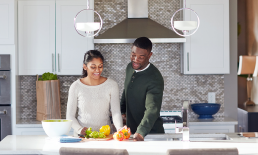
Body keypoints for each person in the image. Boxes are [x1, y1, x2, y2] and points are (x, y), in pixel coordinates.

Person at [66, 50, 123, 137]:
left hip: (105, 136)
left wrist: (119, 128)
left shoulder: (112, 85)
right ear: (85, 67)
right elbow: (70, 116)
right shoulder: (76, 86)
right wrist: (79, 129)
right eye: (93, 67)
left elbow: (116, 112)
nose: (97, 70)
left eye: (100, 66)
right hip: (83, 137)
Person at [120, 37, 165, 141]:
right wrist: (122, 112)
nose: (135, 60)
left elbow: (152, 108)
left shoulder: (154, 78)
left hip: (151, 135)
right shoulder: (130, 67)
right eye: (133, 55)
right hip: (132, 132)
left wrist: (141, 132)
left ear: (149, 55)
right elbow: (126, 89)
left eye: (141, 57)